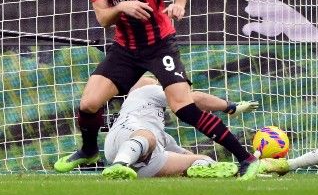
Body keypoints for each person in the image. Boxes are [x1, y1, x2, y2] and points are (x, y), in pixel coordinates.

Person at [54, 0, 261, 180]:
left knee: (184, 108)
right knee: (89, 104)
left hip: (159, 44)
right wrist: (123, 7)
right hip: (125, 49)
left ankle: (246, 158)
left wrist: (179, 3)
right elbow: (104, 18)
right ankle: (89, 150)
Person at [99, 76, 258, 179]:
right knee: (148, 137)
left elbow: (180, 152)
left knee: (201, 159)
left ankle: (201, 166)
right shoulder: (148, 90)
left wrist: (198, 159)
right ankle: (119, 165)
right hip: (131, 138)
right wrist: (230, 106)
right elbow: (195, 98)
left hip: (127, 155)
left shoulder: (152, 120)